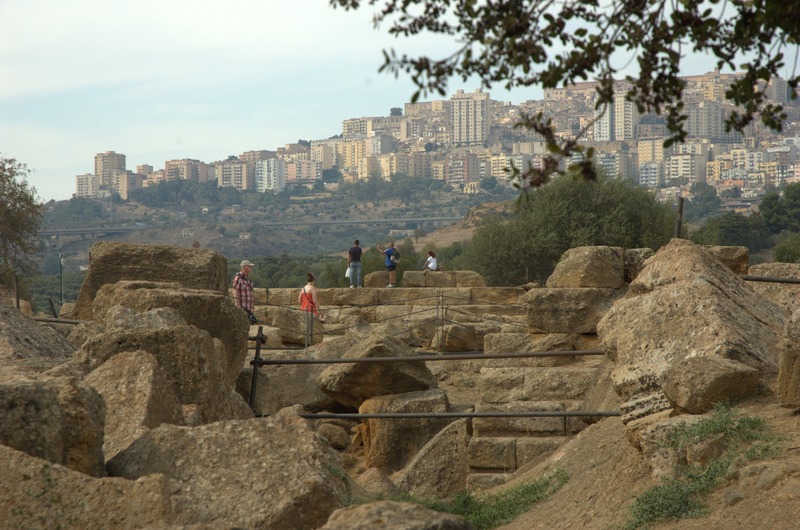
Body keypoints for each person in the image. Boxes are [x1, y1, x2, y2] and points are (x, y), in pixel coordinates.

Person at [233, 259, 258, 324]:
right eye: (249, 266)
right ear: (245, 267)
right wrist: (237, 305)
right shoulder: (238, 278)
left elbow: (251, 293)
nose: (251, 268)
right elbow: (236, 291)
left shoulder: (249, 279)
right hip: (242, 306)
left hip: (248, 307)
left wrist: (252, 306)